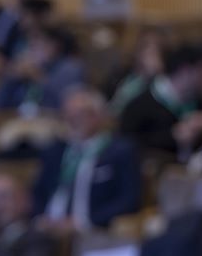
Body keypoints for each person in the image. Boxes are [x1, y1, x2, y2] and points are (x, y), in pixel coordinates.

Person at [33, 88, 142, 231]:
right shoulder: (56, 151)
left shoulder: (119, 151)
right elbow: (38, 193)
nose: (73, 121)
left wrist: (86, 222)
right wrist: (40, 217)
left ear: (98, 116)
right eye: (68, 115)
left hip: (93, 228)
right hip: (49, 228)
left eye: (80, 114)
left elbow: (128, 200)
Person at [117, 45, 202, 160]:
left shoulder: (198, 101)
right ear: (185, 70)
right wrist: (174, 136)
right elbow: (130, 144)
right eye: (201, 72)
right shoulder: (139, 107)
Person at [0, 26, 84, 112]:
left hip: (52, 121)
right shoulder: (25, 71)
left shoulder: (70, 69)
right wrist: (12, 77)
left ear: (54, 46)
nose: (30, 49)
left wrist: (38, 77)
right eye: (31, 45)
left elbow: (65, 104)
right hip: (20, 119)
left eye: (36, 44)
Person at [105, 27, 167, 118]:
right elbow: (112, 107)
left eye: (156, 48)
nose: (149, 52)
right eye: (145, 46)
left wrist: (154, 75)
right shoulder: (121, 74)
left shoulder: (165, 81)